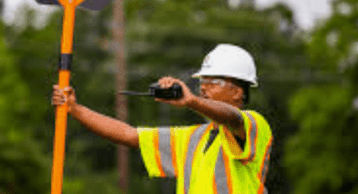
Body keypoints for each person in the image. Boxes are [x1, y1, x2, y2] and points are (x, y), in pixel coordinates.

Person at [52, 44, 273, 194]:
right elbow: (129, 135)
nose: (203, 86)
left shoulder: (254, 124)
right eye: (202, 80)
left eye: (213, 81)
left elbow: (232, 118)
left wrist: (192, 101)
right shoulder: (193, 138)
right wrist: (75, 109)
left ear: (238, 92)